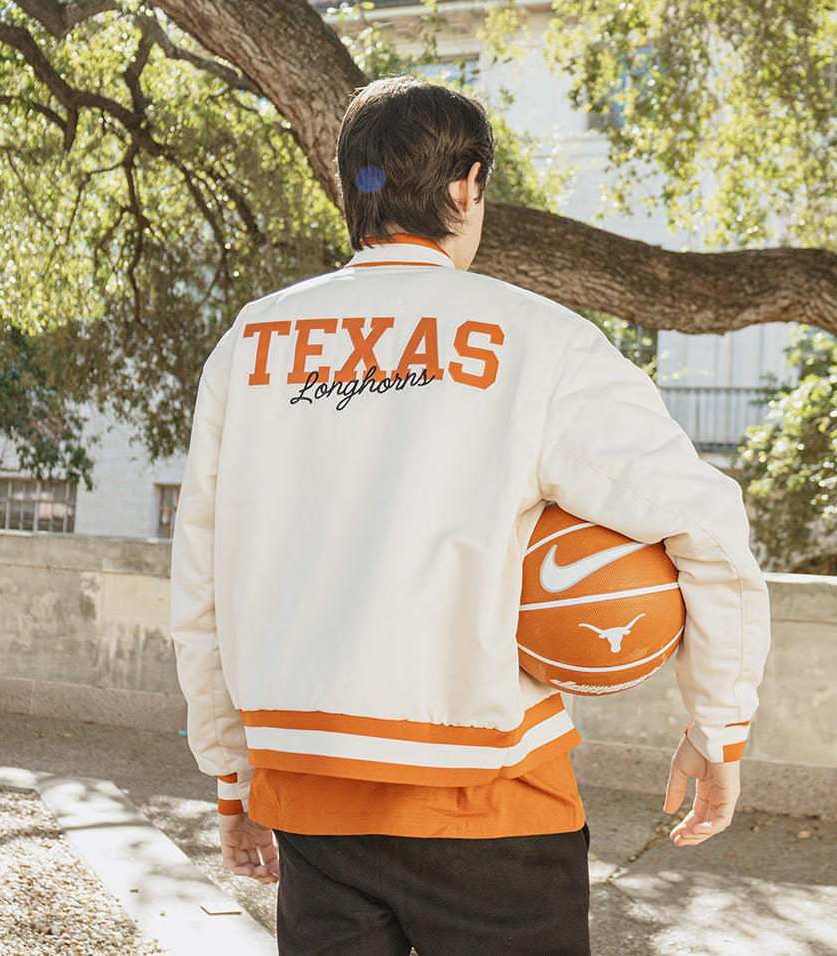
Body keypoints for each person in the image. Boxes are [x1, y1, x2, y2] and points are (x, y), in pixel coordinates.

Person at [170, 77, 770, 954]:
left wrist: (232, 776)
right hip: (492, 798)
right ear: (466, 186)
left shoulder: (249, 343)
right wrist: (718, 727)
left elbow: (201, 582)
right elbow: (706, 526)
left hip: (310, 795)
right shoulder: (541, 339)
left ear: (353, 187)